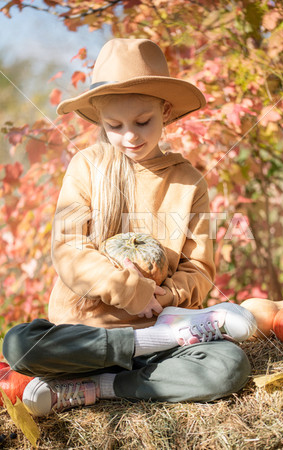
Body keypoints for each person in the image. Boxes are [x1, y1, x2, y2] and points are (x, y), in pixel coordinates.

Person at [2, 38, 257, 417]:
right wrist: (131, 291)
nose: (130, 136)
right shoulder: (87, 167)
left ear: (165, 110)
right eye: (115, 126)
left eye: (142, 121)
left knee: (229, 366)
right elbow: (69, 251)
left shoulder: (188, 182)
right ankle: (133, 357)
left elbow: (199, 269)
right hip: (87, 336)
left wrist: (165, 299)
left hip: (162, 339)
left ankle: (101, 388)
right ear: (101, 123)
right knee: (20, 344)